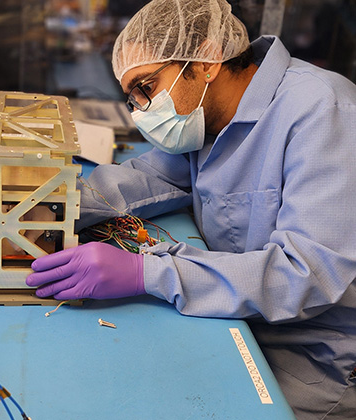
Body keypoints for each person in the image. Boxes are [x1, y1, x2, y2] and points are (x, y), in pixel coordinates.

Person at [25, 0, 356, 418]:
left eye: (146, 87)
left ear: (207, 59)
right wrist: (44, 206)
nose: (143, 110)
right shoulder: (209, 115)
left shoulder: (325, 112)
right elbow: (152, 176)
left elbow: (305, 276)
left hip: (311, 360)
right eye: (133, 98)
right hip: (238, 318)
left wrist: (149, 272)